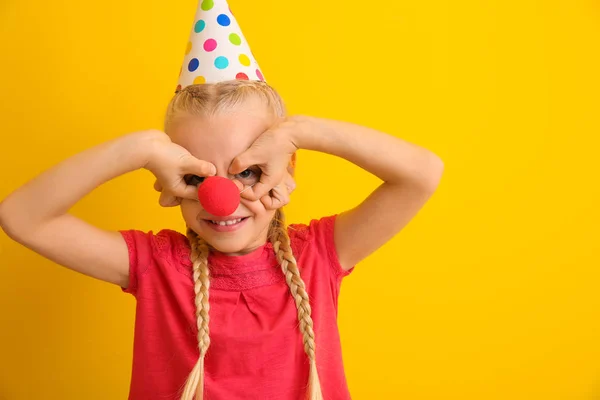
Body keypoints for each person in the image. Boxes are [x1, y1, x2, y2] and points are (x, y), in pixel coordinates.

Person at [0, 2, 444, 400]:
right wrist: (140, 148)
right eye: (197, 176)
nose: (221, 198)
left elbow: (422, 174)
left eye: (246, 171)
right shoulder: (157, 266)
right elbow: (21, 217)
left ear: (283, 172)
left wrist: (297, 132)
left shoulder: (321, 254)